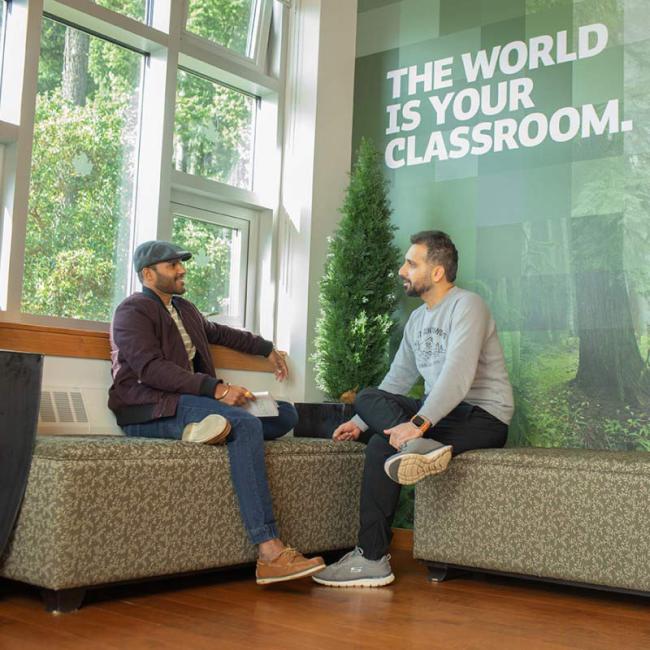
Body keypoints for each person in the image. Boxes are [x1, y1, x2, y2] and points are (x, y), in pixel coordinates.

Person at [108, 240, 325, 585]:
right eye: (172, 265)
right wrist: (218, 390)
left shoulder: (184, 309)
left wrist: (267, 348)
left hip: (189, 403)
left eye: (180, 263)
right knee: (244, 425)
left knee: (284, 414)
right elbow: (151, 370)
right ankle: (269, 551)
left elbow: (222, 334)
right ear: (148, 274)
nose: (181, 269)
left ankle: (205, 431)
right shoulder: (132, 311)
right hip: (151, 407)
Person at [313, 230, 514, 588]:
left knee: (384, 440)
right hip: (441, 416)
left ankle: (414, 447)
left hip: (482, 416)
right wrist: (360, 423)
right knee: (369, 406)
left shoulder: (468, 305)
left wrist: (419, 425)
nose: (402, 270)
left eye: (411, 263)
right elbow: (397, 380)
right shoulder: (418, 320)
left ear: (437, 272)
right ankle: (372, 559)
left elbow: (458, 375)